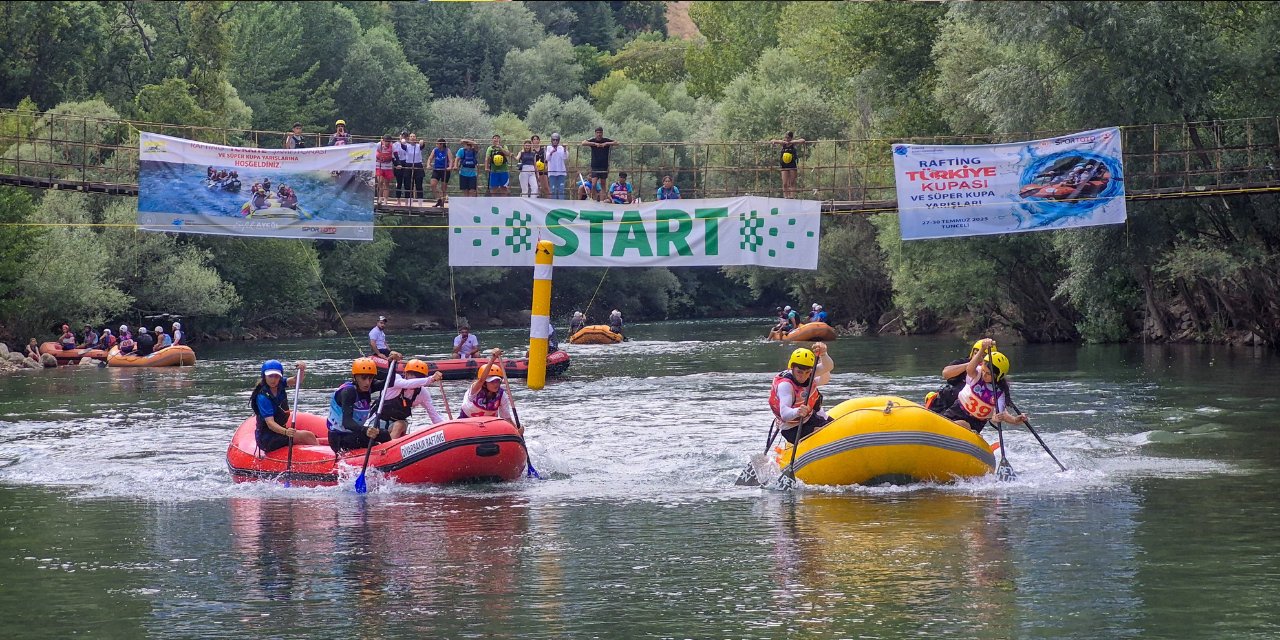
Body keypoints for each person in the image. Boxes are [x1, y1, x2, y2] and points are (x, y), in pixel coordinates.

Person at [940, 339, 1027, 433]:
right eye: (984, 371)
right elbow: (969, 369)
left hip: (975, 423)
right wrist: (982, 349)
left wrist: (1012, 420)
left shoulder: (1000, 393)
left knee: (962, 424)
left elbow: (999, 413)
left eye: (988, 374)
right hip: (956, 410)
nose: (984, 375)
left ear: (998, 376)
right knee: (952, 423)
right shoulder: (978, 374)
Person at [769, 345, 834, 444]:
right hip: (792, 429)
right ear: (792, 367)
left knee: (833, 427)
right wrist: (797, 411)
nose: (803, 376)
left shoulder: (809, 373)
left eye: (807, 372)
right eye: (799, 372)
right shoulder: (785, 386)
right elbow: (784, 413)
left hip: (810, 418)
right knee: (823, 433)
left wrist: (823, 354)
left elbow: (827, 367)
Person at [326, 357, 391, 453]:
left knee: (384, 434)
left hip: (355, 432)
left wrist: (391, 363)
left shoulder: (369, 386)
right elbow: (346, 422)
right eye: (363, 378)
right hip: (339, 437)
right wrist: (366, 430)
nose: (367, 382)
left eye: (370, 378)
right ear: (355, 377)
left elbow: (389, 382)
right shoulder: (348, 392)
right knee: (368, 440)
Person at [251, 360, 319, 452]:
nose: (273, 379)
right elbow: (270, 424)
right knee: (308, 436)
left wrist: (302, 370)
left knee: (309, 436)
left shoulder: (280, 384)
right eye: (270, 376)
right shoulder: (263, 397)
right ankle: (322, 460)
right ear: (264, 376)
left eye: (276, 376)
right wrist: (286, 432)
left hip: (278, 432)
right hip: (267, 438)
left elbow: (297, 380)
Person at [375, 359, 447, 437]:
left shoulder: (422, 393)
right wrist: (431, 379)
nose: (415, 378)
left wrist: (446, 428)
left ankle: (390, 445)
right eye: (412, 374)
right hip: (378, 421)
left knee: (400, 424)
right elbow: (408, 384)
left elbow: (434, 416)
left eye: (419, 376)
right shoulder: (395, 380)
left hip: (398, 425)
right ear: (405, 373)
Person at [460, 350, 515, 422]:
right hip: (467, 421)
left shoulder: (502, 395)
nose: (496, 384)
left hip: (489, 425)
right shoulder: (475, 389)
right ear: (485, 383)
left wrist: (516, 430)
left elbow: (506, 418)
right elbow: (481, 380)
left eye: (497, 381)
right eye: (492, 382)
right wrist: (493, 358)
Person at [582, 127, 618, 202]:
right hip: (595, 165)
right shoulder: (593, 140)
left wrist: (606, 144)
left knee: (603, 184)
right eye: (597, 133)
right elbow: (583, 143)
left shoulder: (605, 140)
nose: (599, 134)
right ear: (595, 133)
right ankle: (594, 199)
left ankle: (602, 200)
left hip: (604, 165)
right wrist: (595, 144)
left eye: (600, 133)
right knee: (594, 184)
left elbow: (616, 142)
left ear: (602, 133)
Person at [769, 131, 809, 199]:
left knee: (792, 182)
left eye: (788, 138)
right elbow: (772, 140)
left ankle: (792, 196)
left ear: (791, 138)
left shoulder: (793, 144)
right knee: (785, 183)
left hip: (792, 165)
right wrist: (780, 142)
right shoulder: (783, 144)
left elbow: (803, 140)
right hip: (784, 165)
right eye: (786, 137)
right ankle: (786, 196)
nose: (787, 139)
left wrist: (792, 142)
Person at [400, 133, 425, 205]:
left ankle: (420, 203)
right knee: (408, 184)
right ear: (409, 138)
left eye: (414, 136)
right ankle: (408, 202)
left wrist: (422, 142)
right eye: (411, 136)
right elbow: (402, 145)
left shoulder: (418, 146)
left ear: (416, 138)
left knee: (419, 184)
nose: (412, 138)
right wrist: (402, 141)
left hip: (418, 165)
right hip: (408, 164)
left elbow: (422, 145)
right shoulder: (406, 146)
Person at [545, 133, 569, 200]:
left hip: (561, 172)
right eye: (553, 140)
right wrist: (551, 152)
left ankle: (561, 205)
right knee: (553, 190)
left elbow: (565, 157)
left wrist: (564, 149)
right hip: (552, 172)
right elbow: (547, 158)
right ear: (551, 140)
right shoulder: (549, 148)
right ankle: (554, 205)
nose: (555, 141)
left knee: (561, 190)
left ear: (558, 141)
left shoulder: (561, 148)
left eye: (556, 140)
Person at [429, 138, 451, 208]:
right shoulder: (435, 150)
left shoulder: (447, 150)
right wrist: (428, 164)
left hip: (445, 170)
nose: (436, 145)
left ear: (442, 144)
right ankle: (439, 198)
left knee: (443, 187)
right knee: (433, 184)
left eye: (438, 144)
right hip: (437, 169)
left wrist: (450, 167)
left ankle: (442, 203)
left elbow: (451, 160)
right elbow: (430, 158)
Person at [374, 134, 396, 204]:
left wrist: (397, 164)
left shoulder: (392, 146)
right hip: (379, 165)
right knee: (380, 182)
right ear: (383, 141)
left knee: (386, 183)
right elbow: (372, 153)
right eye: (386, 141)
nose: (387, 143)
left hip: (388, 167)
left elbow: (395, 156)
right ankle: (379, 198)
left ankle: (385, 199)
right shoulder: (378, 145)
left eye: (389, 141)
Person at [393, 130, 409, 203]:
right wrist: (396, 164)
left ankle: (407, 200)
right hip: (398, 163)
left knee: (407, 182)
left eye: (405, 136)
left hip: (406, 163)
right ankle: (398, 200)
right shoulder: (395, 144)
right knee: (399, 182)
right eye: (403, 136)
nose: (404, 137)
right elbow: (393, 156)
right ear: (400, 136)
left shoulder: (408, 145)